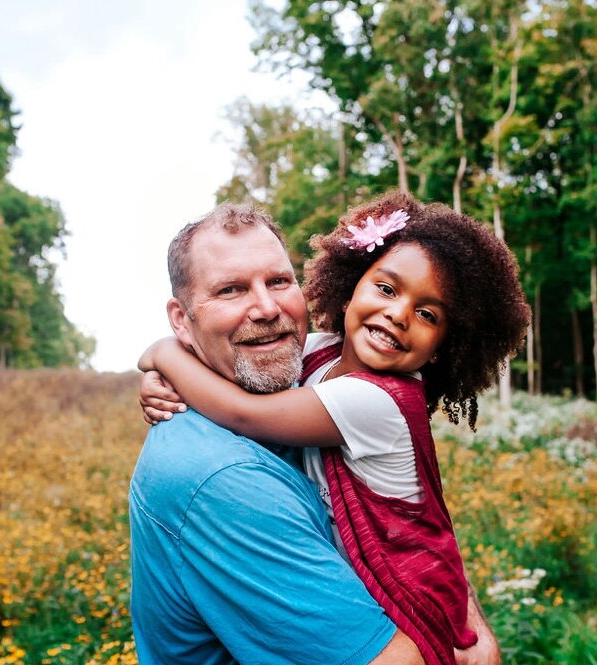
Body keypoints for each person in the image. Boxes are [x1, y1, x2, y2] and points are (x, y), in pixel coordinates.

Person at [139, 192, 529, 665]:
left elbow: (243, 410)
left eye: (279, 281)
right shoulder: (220, 474)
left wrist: (166, 356)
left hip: (407, 589)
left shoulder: (360, 392)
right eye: (231, 290)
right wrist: (167, 361)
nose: (265, 309)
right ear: (350, 289)